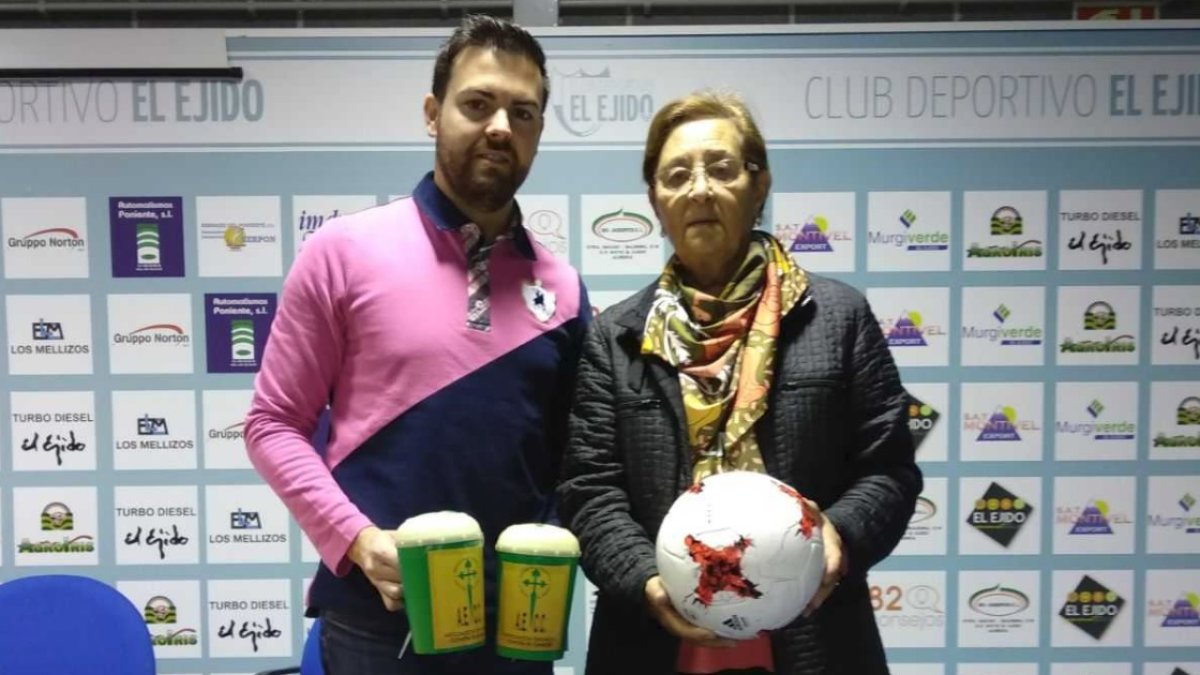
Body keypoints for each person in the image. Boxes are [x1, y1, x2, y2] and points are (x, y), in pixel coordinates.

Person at [244, 15, 588, 675]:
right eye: (478, 103)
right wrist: (356, 540)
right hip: (379, 622)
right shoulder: (341, 252)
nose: (499, 127)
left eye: (523, 112)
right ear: (433, 113)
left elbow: (572, 458)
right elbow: (272, 424)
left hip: (516, 627)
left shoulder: (565, 289)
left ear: (538, 132)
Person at [557, 91, 921, 675]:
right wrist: (649, 582)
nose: (699, 189)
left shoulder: (838, 318)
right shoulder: (616, 337)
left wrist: (836, 537)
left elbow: (890, 470)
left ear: (760, 184)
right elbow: (590, 488)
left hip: (814, 633)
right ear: (656, 199)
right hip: (654, 641)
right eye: (677, 175)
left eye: (722, 169)